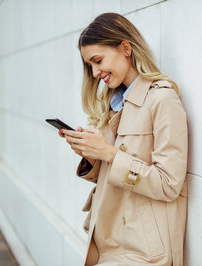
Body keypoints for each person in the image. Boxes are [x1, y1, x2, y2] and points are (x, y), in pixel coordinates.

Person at [59, 12, 188, 266]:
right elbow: (115, 175)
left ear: (125, 48)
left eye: (98, 60)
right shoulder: (113, 104)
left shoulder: (162, 99)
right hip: (111, 239)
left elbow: (168, 184)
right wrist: (91, 154)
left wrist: (109, 154)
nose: (95, 72)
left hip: (144, 250)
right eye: (90, 65)